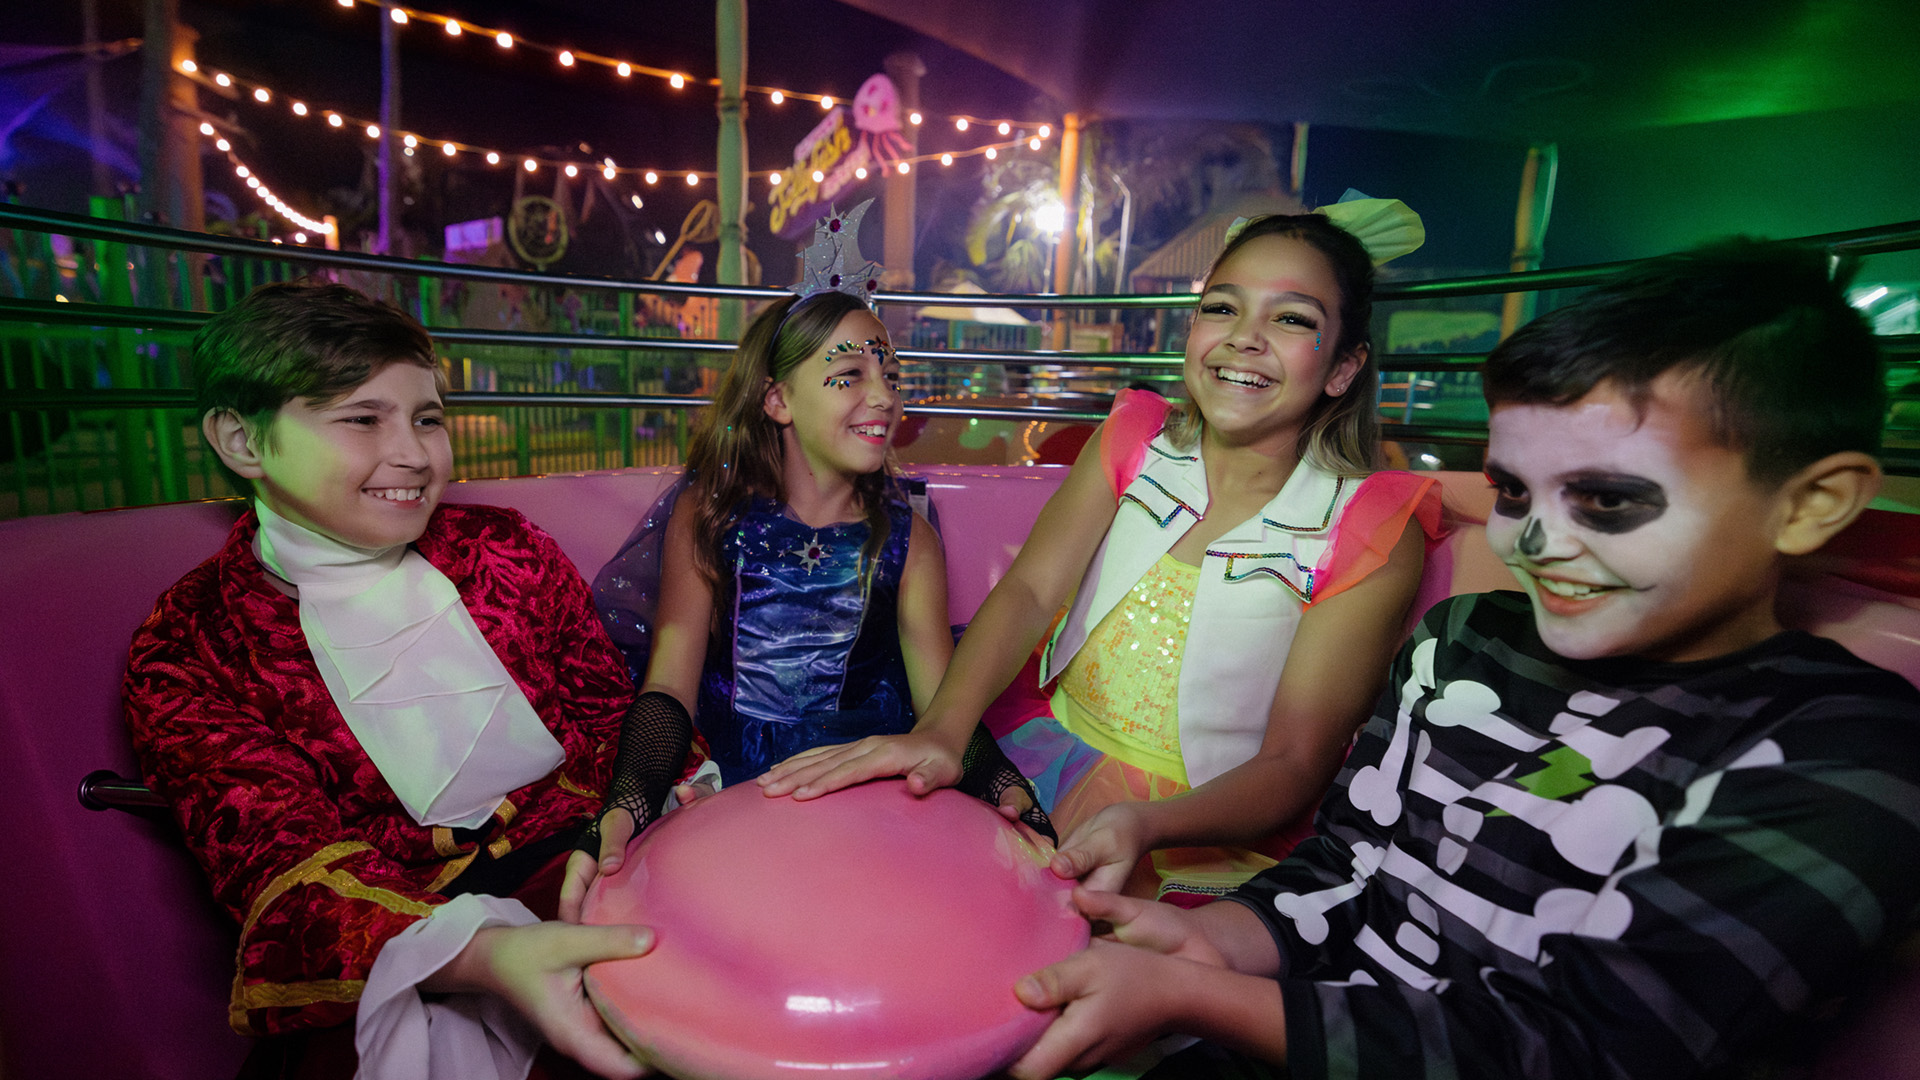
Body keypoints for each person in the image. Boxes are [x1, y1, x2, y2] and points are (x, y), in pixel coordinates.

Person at [1005, 238, 1920, 1080]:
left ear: (1811, 504)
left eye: (1605, 501)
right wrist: (1215, 946)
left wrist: (1203, 994)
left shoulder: (1844, 751)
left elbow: (1591, 1049)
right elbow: (1349, 873)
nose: (1538, 543)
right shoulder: (1466, 643)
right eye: (1517, 492)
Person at [761, 204, 1444, 904]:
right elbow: (1030, 591)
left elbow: (1295, 764)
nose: (1246, 339)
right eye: (1222, 308)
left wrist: (1143, 824)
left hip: (1206, 824)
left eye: (1292, 318)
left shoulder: (1370, 529)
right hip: (1050, 748)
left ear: (1343, 367)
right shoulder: (1134, 438)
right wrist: (941, 730)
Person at [123, 282, 695, 1080]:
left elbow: (610, 722)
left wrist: (634, 823)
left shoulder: (508, 549)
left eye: (428, 418)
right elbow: (284, 873)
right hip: (407, 939)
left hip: (592, 869)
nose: (416, 454)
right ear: (240, 440)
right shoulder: (192, 643)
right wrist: (487, 955)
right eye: (363, 419)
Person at [580, 201, 1048, 906]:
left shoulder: (907, 540)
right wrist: (628, 803)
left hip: (872, 779)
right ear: (777, 401)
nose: (883, 395)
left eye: (888, 372)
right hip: (736, 774)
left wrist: (1011, 792)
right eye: (848, 375)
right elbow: (669, 685)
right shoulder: (709, 519)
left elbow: (944, 709)